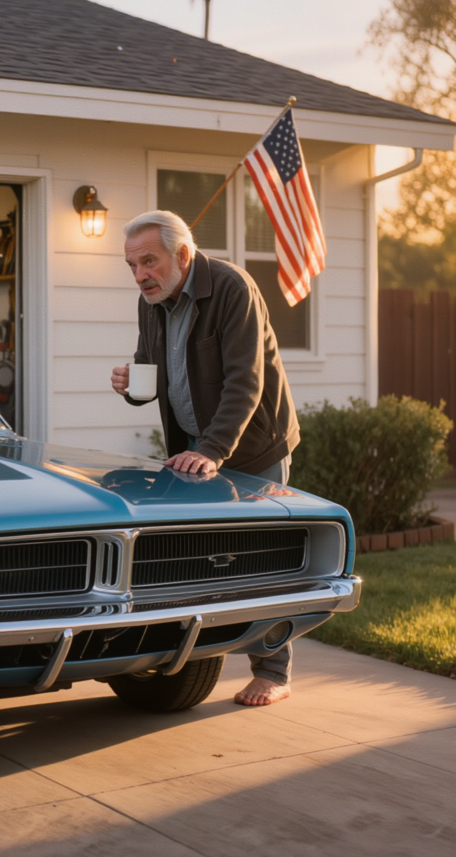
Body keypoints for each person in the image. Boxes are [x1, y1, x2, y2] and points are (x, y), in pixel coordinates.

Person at [110, 209, 300, 706]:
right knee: (202, 558)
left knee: (264, 559)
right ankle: (191, 656)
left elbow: (245, 381)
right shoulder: (151, 301)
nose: (140, 275)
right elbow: (153, 372)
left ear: (182, 254)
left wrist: (213, 450)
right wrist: (131, 385)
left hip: (253, 446)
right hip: (196, 451)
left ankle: (273, 672)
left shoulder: (233, 289)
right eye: (132, 265)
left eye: (148, 261)